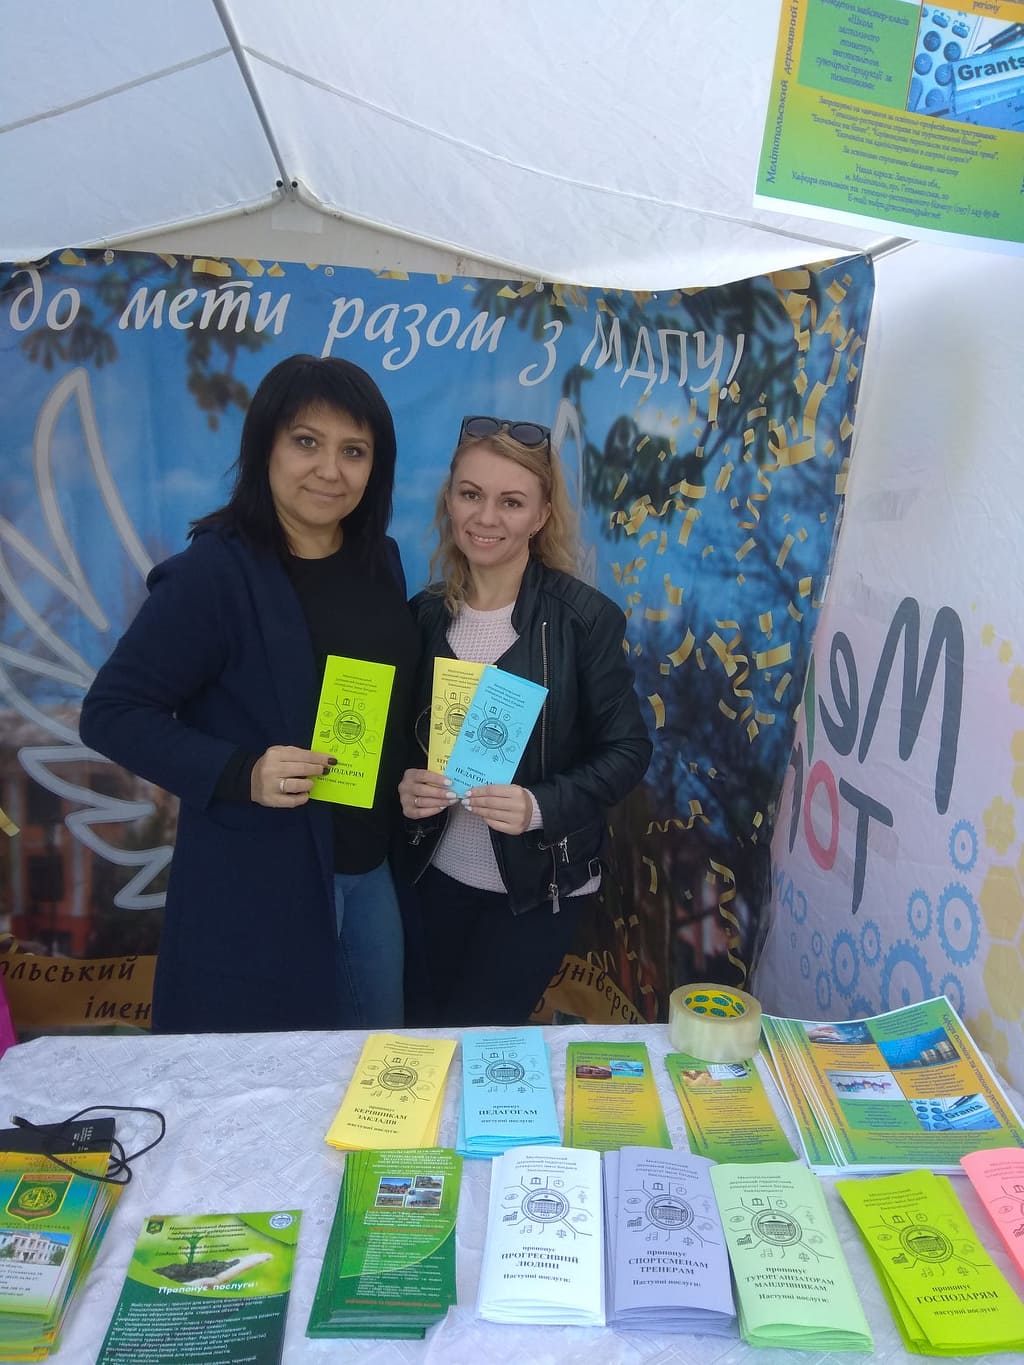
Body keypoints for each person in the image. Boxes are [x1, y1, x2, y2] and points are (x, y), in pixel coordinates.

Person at [80, 354, 418, 1034]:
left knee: (378, 1072)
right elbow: (110, 714)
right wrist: (244, 771)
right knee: (269, 1079)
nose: (330, 469)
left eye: (353, 451)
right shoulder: (212, 574)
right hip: (262, 881)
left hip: (370, 870)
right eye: (306, 441)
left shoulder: (378, 559)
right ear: (265, 446)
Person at [399, 415, 652, 1026]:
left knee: (480, 1039)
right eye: (471, 494)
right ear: (450, 501)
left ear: (541, 516)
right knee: (420, 1035)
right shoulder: (423, 616)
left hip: (540, 885)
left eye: (511, 502)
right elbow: (402, 741)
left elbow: (628, 750)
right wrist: (403, 785)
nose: (486, 517)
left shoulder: (584, 620)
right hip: (432, 875)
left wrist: (538, 805)